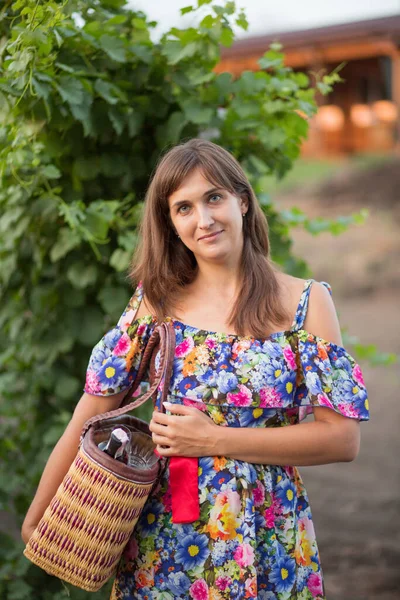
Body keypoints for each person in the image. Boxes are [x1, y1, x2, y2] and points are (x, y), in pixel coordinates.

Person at [22, 139, 369, 600]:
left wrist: (214, 439)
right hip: (166, 539)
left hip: (269, 537)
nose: (203, 220)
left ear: (242, 201)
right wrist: (38, 516)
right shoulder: (156, 304)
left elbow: (341, 439)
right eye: (183, 207)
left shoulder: (305, 303)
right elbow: (89, 413)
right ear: (171, 224)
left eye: (214, 198)